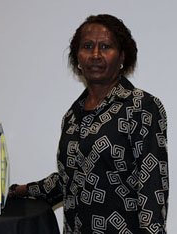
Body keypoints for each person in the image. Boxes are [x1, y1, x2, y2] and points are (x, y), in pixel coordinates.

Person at [9, 14, 169, 234]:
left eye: (105, 46)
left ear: (122, 56)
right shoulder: (72, 116)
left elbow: (152, 186)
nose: (95, 55)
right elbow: (70, 180)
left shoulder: (141, 106)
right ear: (77, 57)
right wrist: (18, 190)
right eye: (87, 46)